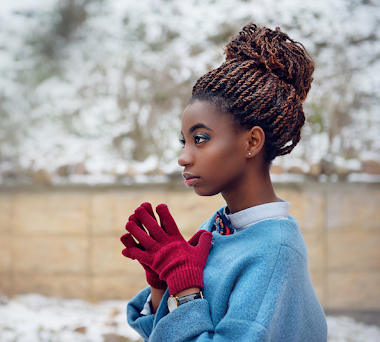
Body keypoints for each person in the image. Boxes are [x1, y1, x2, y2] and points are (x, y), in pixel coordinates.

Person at [120, 23, 327, 341]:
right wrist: (161, 286)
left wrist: (187, 291)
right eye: (184, 141)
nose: (184, 157)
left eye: (200, 138)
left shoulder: (275, 251)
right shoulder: (219, 226)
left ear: (251, 142)